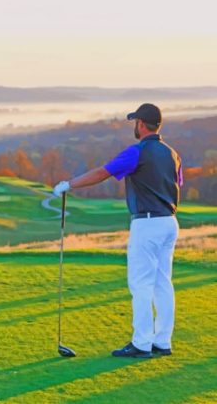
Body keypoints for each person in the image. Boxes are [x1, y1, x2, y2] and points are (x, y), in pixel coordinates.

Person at [53, 103, 182, 358]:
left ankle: (142, 343)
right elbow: (175, 184)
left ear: (142, 124)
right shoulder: (173, 154)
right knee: (162, 283)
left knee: (141, 284)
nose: (135, 126)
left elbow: (103, 172)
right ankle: (162, 341)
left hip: (146, 223)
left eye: (135, 122)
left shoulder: (137, 152)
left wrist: (69, 184)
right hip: (169, 222)